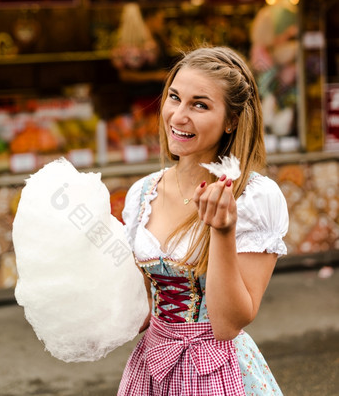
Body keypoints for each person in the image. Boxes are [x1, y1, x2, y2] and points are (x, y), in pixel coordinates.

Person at [118, 46, 289, 396]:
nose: (178, 116)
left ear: (232, 120)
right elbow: (144, 310)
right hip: (152, 368)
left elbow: (227, 325)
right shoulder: (141, 193)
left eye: (200, 105)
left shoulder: (255, 198)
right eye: (174, 98)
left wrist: (223, 231)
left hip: (219, 370)